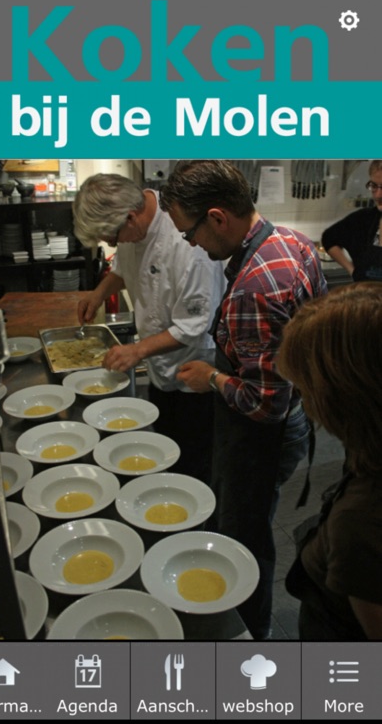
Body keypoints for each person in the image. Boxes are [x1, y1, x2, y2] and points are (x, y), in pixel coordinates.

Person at [159, 159, 327, 640]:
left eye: (189, 234)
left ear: (217, 217)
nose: (191, 245)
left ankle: (248, 639)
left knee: (246, 538)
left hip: (264, 433)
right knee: (245, 523)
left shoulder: (254, 288)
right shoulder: (290, 241)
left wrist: (212, 377)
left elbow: (264, 403)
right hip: (298, 410)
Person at [73, 172, 226, 484]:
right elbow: (123, 268)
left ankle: (196, 524)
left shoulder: (187, 245)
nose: (112, 244)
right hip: (161, 369)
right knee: (167, 448)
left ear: (130, 217)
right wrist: (99, 292)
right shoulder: (135, 228)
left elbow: (195, 325)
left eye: (112, 238)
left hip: (195, 372)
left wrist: (137, 350)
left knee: (195, 463)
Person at [277, 282, 382, 640]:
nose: (304, 401)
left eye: (305, 390)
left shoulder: (360, 522)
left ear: (342, 399)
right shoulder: (370, 440)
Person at [321, 159, 382, 282]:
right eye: (374, 186)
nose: (377, 195)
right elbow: (329, 238)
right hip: (365, 298)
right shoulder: (363, 219)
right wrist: (352, 271)